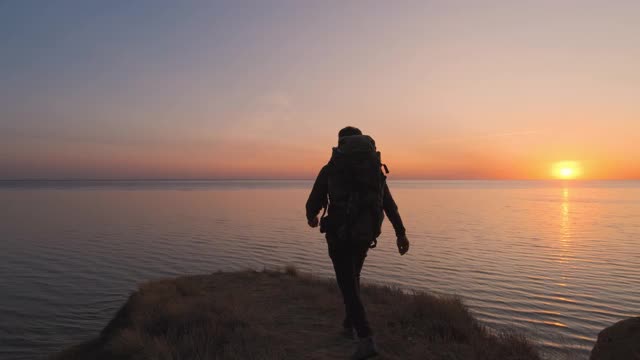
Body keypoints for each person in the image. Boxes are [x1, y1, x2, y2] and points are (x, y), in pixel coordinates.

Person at [306, 126, 409, 360]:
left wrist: (312, 216)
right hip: (365, 234)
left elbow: (313, 201)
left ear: (340, 143)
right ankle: (347, 325)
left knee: (347, 285)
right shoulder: (374, 170)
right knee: (353, 278)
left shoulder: (332, 168)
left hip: (339, 235)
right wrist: (401, 233)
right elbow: (389, 204)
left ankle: (366, 338)